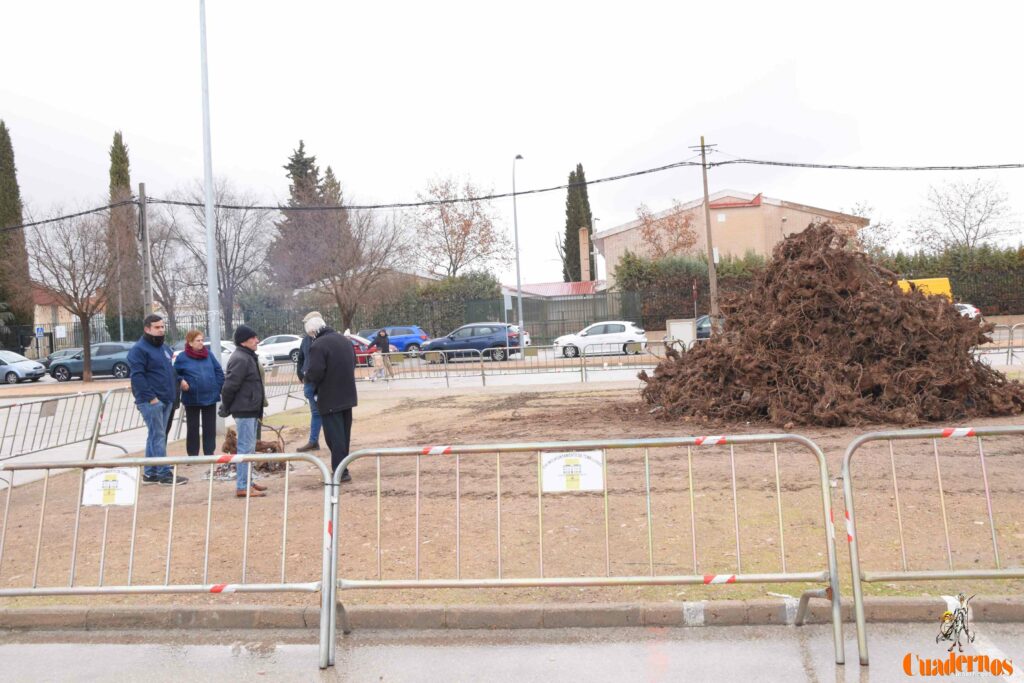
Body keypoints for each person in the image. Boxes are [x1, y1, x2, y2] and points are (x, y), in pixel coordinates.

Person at [127, 314, 188, 486]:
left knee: (155, 435)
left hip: (167, 398)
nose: (161, 330)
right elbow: (137, 377)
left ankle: (150, 472)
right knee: (158, 435)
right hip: (151, 401)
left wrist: (179, 381)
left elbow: (170, 369)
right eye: (157, 327)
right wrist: (151, 398)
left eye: (162, 327)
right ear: (147, 329)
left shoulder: (163, 348)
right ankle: (164, 473)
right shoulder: (139, 350)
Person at [303, 315, 357, 482]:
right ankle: (343, 468)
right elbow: (353, 363)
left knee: (334, 437)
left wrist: (307, 377)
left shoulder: (318, 345)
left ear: (312, 332)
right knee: (344, 435)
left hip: (330, 396)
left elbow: (316, 372)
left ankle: (341, 471)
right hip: (347, 394)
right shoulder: (345, 340)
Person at [220, 325, 269, 498]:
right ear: (243, 341)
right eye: (253, 338)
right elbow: (229, 386)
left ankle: (248, 481)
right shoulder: (241, 358)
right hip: (245, 409)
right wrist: (226, 407)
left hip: (251, 408)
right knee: (245, 449)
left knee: (249, 449)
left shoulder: (246, 356)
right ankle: (242, 486)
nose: (257, 340)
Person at [174, 329, 225, 457]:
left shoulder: (209, 355)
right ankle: (193, 454)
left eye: (202, 340)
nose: (201, 343)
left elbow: (219, 371)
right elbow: (174, 373)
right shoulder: (182, 357)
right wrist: (181, 381)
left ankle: (209, 452)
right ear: (190, 342)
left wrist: (216, 387)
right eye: (198, 340)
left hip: (210, 396)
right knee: (193, 428)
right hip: (192, 398)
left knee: (209, 427)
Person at [294, 311, 323, 452]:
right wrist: (300, 374)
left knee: (320, 412)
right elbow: (301, 358)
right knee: (316, 412)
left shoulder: (322, 339)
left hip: (319, 381)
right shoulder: (306, 340)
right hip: (308, 381)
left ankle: (314, 440)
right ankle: (314, 441)